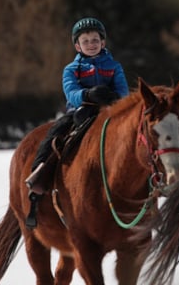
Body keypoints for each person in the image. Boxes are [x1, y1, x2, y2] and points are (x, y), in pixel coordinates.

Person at [25, 17, 129, 196]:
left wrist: (113, 98)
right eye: (85, 41)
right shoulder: (71, 69)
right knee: (55, 132)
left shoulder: (114, 67)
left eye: (95, 40)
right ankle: (39, 171)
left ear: (103, 42)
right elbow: (70, 92)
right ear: (78, 46)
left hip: (109, 111)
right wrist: (87, 95)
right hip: (79, 110)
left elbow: (123, 92)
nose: (91, 44)